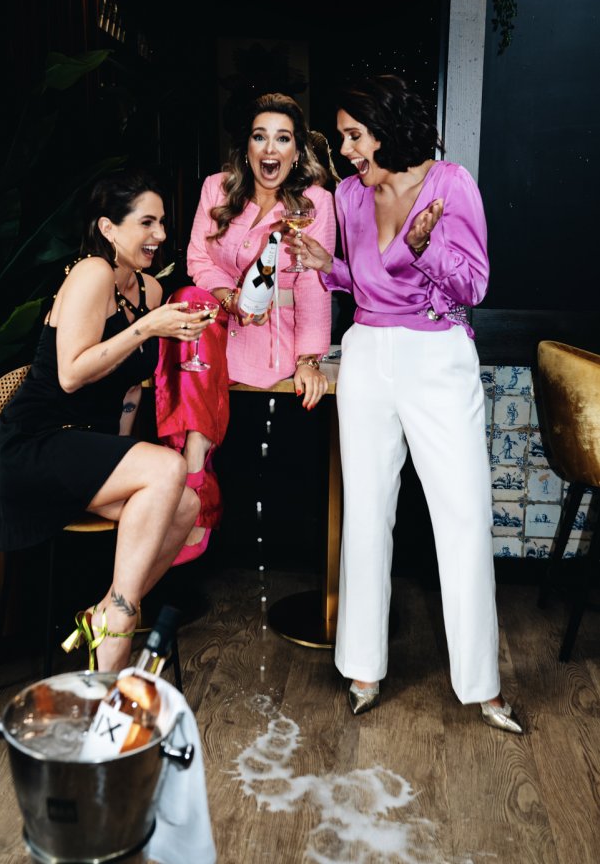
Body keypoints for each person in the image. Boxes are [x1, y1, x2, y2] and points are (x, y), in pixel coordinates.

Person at [286, 75, 522, 732]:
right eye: (343, 138)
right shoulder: (350, 195)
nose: (344, 150)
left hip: (437, 357)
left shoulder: (450, 184)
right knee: (365, 514)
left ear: (386, 128)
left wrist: (425, 248)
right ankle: (363, 669)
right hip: (366, 353)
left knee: (463, 516)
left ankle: (483, 686)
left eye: (353, 135)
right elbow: (365, 281)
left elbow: (473, 285)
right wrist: (325, 265)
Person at [0, 169, 212, 672]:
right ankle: (116, 639)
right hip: (38, 443)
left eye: (163, 223)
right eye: (147, 222)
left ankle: (102, 613)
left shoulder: (149, 289)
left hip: (85, 447)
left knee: (185, 505)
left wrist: (120, 457)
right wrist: (147, 328)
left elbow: (130, 390)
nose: (160, 234)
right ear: (108, 228)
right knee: (169, 468)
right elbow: (71, 375)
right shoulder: (92, 273)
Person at [154, 93, 336, 560]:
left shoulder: (315, 203)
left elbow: (315, 283)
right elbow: (198, 259)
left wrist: (309, 358)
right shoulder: (216, 189)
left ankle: (191, 494)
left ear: (297, 151)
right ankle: (194, 480)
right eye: (260, 137)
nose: (270, 149)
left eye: (283, 138)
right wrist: (229, 298)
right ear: (247, 146)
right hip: (218, 324)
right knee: (187, 300)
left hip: (274, 337)